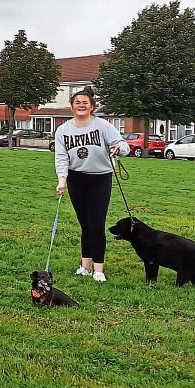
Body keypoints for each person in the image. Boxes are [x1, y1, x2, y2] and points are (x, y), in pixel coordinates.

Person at [54, 86, 129, 282]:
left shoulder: (102, 126)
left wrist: (118, 148)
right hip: (76, 179)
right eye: (77, 103)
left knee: (96, 224)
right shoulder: (63, 130)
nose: (81, 106)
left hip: (100, 178)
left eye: (84, 103)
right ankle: (85, 266)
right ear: (71, 107)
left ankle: (98, 269)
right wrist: (62, 180)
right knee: (85, 224)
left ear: (92, 107)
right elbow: (61, 157)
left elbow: (124, 146)